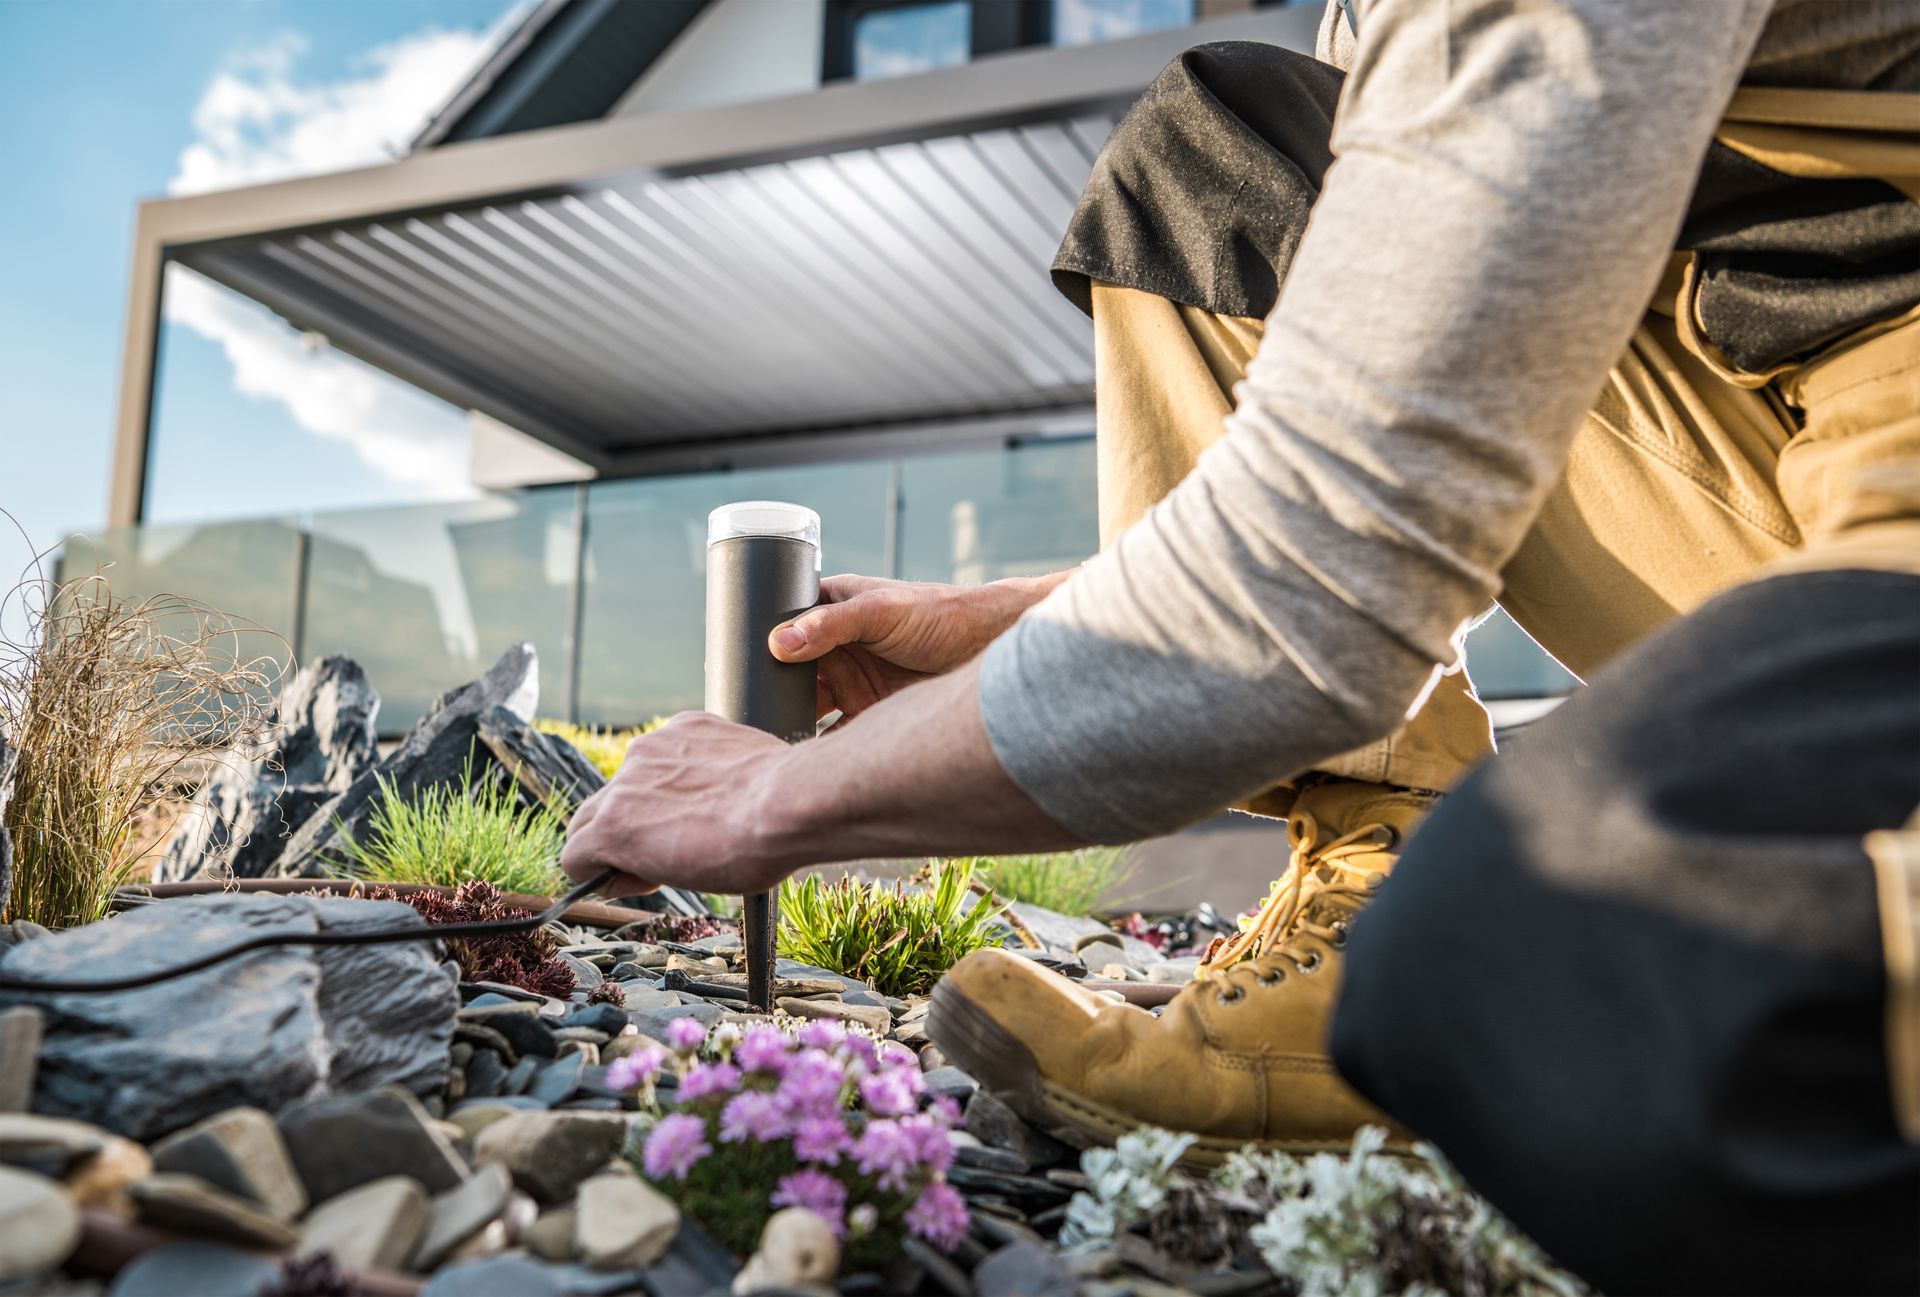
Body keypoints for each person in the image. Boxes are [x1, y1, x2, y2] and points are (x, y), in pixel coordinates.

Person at [562, 0, 1920, 1289]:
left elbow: (1313, 587)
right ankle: (1369, 884)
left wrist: (770, 799)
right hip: (1778, 401)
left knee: (1548, 972)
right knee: (1223, 162)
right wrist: (1029, 624)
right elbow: (1390, 442)